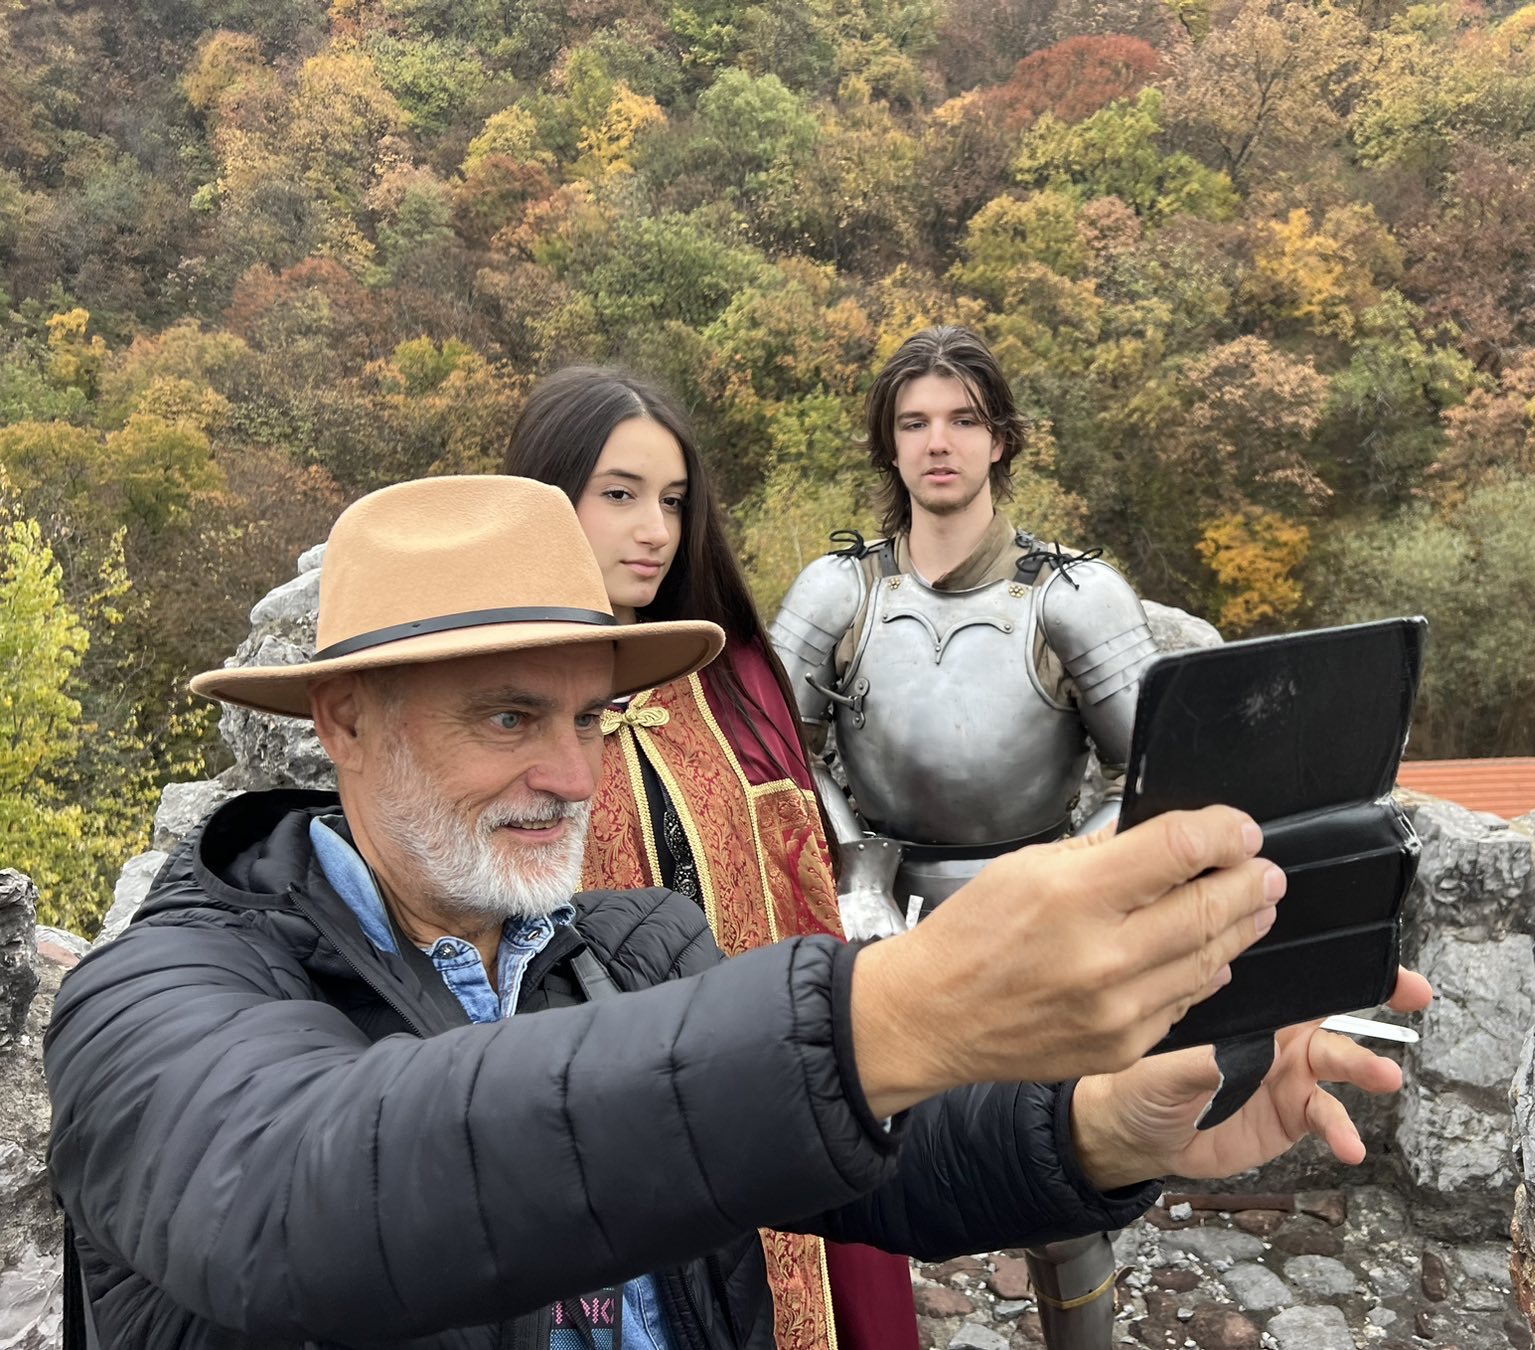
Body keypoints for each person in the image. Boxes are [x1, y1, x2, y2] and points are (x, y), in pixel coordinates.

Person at [45, 474, 1431, 1350]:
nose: (569, 774)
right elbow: (310, 1192)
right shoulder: (156, 996)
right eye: (509, 716)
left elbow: (861, 1160)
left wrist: (1098, 1124)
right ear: (341, 720)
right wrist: (885, 1008)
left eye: (591, 718)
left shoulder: (635, 949)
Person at [502, 367, 917, 1350]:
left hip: (785, 1110)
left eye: (674, 502)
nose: (655, 529)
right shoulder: (494, 709)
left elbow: (806, 885)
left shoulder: (733, 676)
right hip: (598, 1147)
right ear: (545, 497)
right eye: (620, 494)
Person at [770, 325, 1159, 1344]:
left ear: (1000, 440)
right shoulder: (838, 593)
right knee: (847, 1172)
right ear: (889, 448)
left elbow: (1155, 771)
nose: (938, 442)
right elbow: (772, 754)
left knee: (1062, 1186)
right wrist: (857, 874)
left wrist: (1066, 876)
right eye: (914, 423)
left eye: (962, 420)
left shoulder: (1077, 598)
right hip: (875, 921)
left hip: (1043, 918)